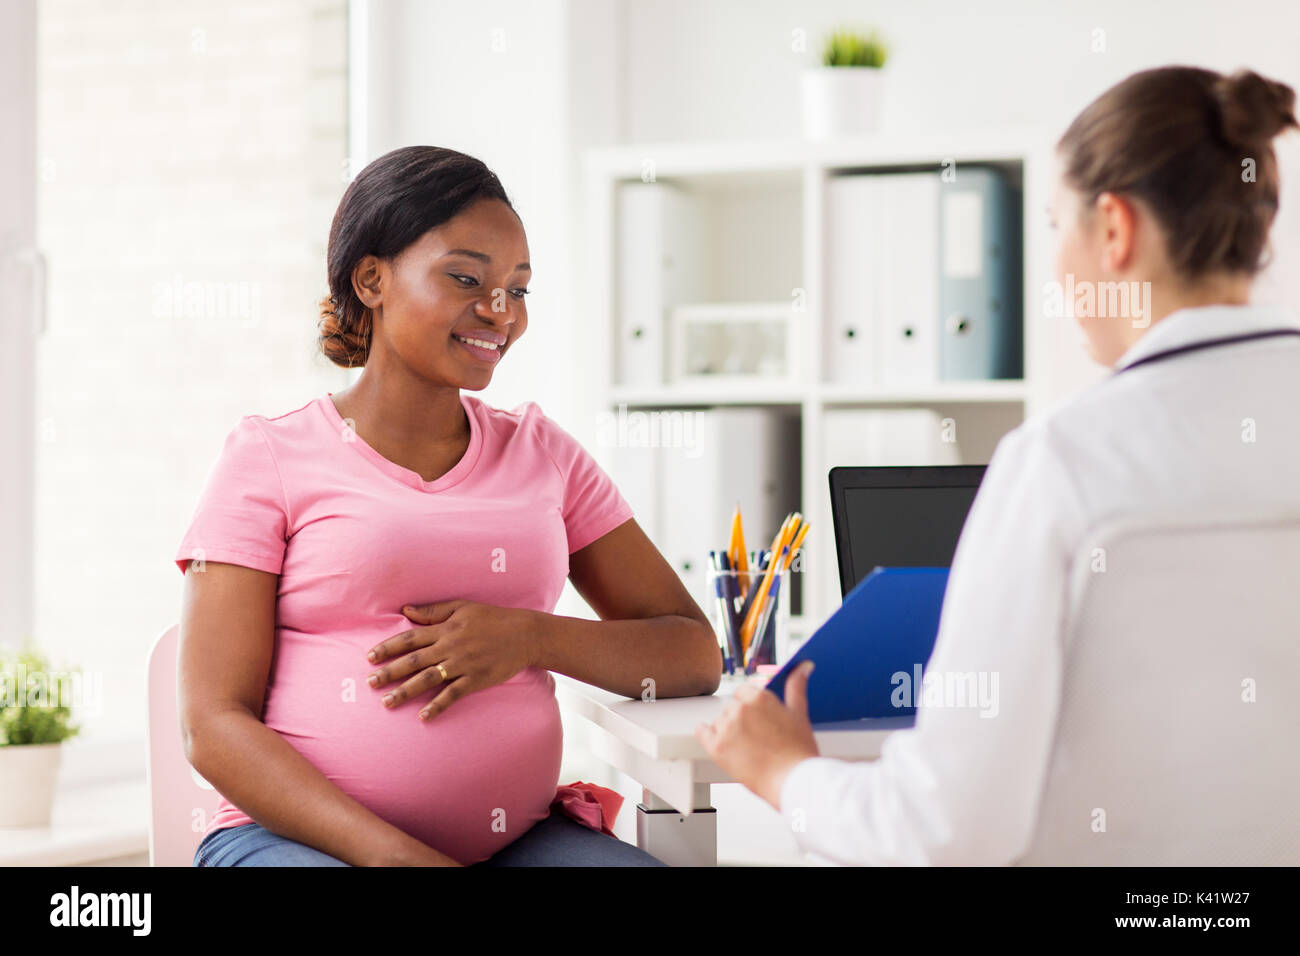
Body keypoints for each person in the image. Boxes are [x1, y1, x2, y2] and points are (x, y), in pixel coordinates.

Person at [697, 65, 1300, 865]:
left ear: (1114, 229)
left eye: (1057, 225)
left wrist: (786, 772)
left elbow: (945, 832)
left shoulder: (1064, 461)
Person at [177, 146, 720, 867]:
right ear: (371, 278)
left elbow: (691, 653)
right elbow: (213, 724)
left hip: (518, 842)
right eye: (467, 278)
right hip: (297, 844)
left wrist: (531, 638)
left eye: (518, 290)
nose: (499, 312)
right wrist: (397, 859)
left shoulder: (543, 455)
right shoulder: (268, 457)